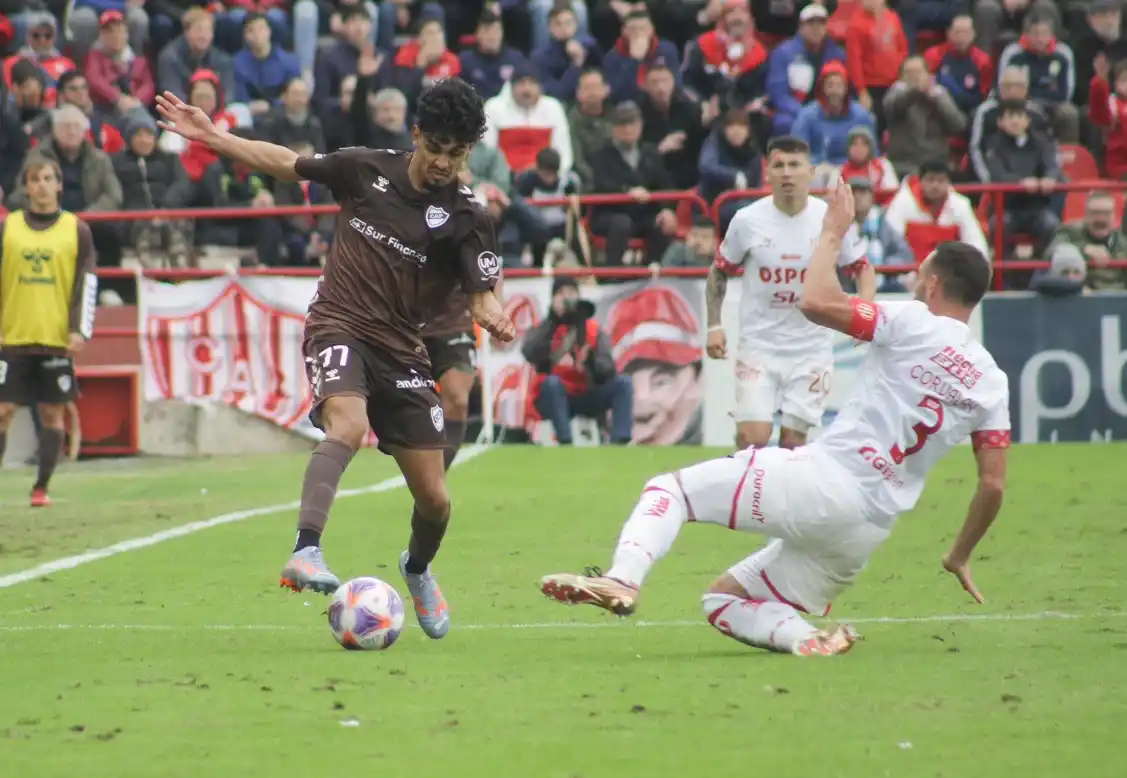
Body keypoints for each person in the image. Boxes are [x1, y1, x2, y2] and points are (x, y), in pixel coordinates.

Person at [540, 186, 1011, 658]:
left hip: (827, 482)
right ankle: (807, 640)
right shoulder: (991, 380)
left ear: (932, 284)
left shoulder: (913, 320)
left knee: (671, 490)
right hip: (867, 532)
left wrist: (831, 232)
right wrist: (960, 553)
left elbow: (816, 302)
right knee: (722, 600)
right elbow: (992, 485)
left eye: (919, 273)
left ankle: (622, 579)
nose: (913, 280)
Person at [155, 78, 516, 641]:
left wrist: (492, 312)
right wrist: (213, 137)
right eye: (438, 147)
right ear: (417, 134)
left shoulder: (468, 214)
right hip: (338, 324)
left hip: (403, 350)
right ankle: (306, 550)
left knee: (437, 500)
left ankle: (417, 571)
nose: (445, 162)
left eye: (458, 153)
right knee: (346, 426)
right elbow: (283, 162)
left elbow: (480, 290)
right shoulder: (364, 169)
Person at [705, 135, 877, 451]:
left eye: (795, 165)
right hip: (759, 345)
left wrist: (864, 310)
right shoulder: (747, 220)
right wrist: (714, 326)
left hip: (811, 349)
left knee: (793, 443)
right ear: (767, 173)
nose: (786, 173)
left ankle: (784, 500)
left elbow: (862, 268)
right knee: (751, 438)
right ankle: (745, 495)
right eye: (778, 165)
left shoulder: (831, 219)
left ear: (810, 172)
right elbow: (719, 270)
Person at [0, 159, 97, 507]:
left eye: (47, 179)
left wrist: (79, 330)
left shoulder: (76, 230)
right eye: (34, 180)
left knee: (52, 415)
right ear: (25, 187)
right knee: (3, 410)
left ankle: (41, 488)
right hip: (12, 337)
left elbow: (86, 282)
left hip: (55, 338)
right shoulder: (8, 227)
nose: (41, 185)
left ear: (59, 185)